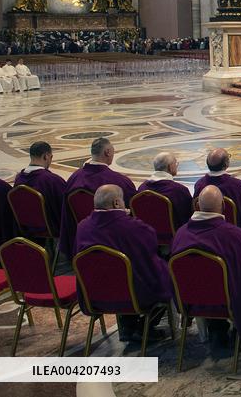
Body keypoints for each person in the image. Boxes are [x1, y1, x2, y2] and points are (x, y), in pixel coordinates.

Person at [171, 185, 241, 357]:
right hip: (228, 301)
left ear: (198, 206)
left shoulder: (180, 234)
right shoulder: (236, 235)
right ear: (223, 205)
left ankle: (216, 329)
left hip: (190, 299)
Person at [75, 185, 173, 344]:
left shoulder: (82, 227)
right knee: (165, 274)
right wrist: (128, 218)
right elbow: (151, 244)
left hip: (95, 294)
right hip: (132, 296)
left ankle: (127, 326)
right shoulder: (134, 227)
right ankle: (144, 327)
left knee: (119, 274)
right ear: (116, 203)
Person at [60, 138, 137, 259]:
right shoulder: (119, 182)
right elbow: (135, 212)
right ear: (107, 152)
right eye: (113, 151)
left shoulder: (73, 178)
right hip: (115, 244)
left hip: (82, 238)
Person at [193, 148, 241, 235]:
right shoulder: (237, 185)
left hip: (203, 233)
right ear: (226, 164)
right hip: (234, 234)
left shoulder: (199, 185)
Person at [14, 141, 66, 236]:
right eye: (51, 157)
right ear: (46, 156)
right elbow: (66, 210)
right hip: (52, 233)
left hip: (25, 232)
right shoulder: (52, 180)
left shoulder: (18, 179)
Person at [137, 152, 193, 229]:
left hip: (147, 234)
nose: (177, 166)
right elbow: (188, 217)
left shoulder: (141, 189)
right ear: (170, 167)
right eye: (176, 163)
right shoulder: (179, 191)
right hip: (174, 237)